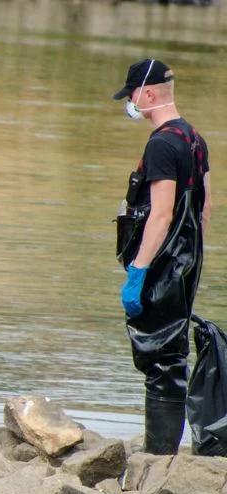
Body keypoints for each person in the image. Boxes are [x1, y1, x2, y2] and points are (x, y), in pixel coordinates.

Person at [112, 59, 211, 454]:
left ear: (148, 94)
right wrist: (191, 263)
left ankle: (158, 457)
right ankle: (163, 452)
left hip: (162, 264)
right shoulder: (194, 138)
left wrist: (138, 270)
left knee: (159, 361)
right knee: (171, 356)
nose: (131, 102)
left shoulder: (161, 144)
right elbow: (205, 208)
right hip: (187, 261)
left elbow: (162, 213)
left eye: (133, 95)